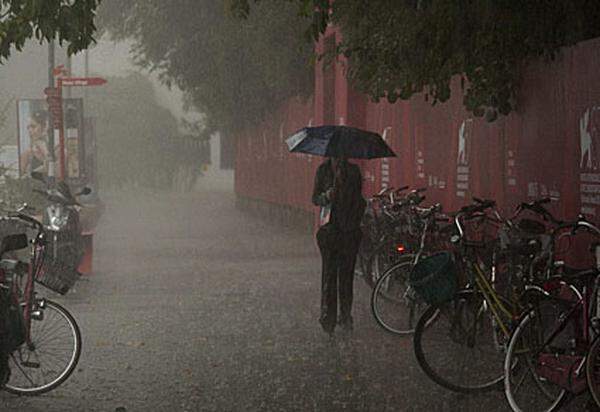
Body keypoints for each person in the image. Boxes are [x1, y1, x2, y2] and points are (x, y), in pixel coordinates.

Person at [312, 156, 366, 334]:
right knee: (329, 275)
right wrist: (327, 196)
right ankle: (328, 317)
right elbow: (315, 198)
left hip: (349, 231)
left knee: (346, 276)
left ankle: (345, 315)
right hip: (329, 231)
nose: (338, 156)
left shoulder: (353, 171)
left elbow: (358, 198)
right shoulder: (323, 171)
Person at [20, 110, 50, 175]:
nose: (30, 130)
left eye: (33, 126)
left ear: (45, 127)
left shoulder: (57, 149)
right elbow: (20, 176)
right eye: (28, 127)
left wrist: (44, 150)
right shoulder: (27, 153)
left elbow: (51, 168)